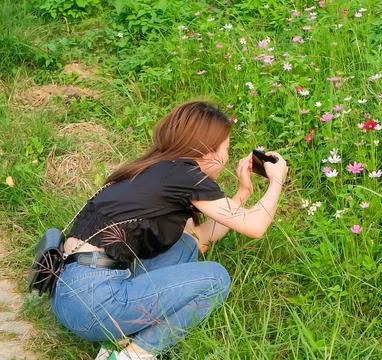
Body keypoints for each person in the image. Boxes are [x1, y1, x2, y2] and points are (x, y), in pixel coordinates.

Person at [50, 99, 288, 360]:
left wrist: (243, 193)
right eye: (226, 148)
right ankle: (134, 355)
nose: (226, 157)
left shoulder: (155, 169)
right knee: (216, 279)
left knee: (184, 245)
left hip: (69, 295)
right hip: (99, 302)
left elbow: (200, 237)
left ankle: (118, 343)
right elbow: (255, 227)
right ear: (209, 152)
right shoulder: (187, 176)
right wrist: (276, 181)